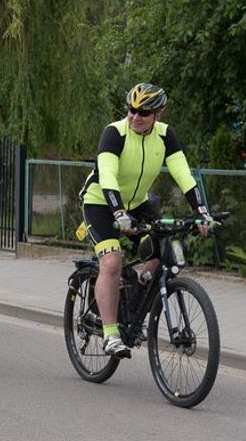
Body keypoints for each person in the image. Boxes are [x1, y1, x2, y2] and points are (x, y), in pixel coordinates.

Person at [79, 83, 213, 358]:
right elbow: (107, 176)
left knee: (163, 249)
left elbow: (184, 175)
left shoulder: (165, 136)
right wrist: (118, 212)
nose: (135, 117)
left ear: (158, 115)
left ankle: (135, 299)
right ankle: (111, 334)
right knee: (112, 260)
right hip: (101, 202)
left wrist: (202, 211)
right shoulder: (114, 133)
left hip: (137, 203)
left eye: (144, 112)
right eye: (132, 110)